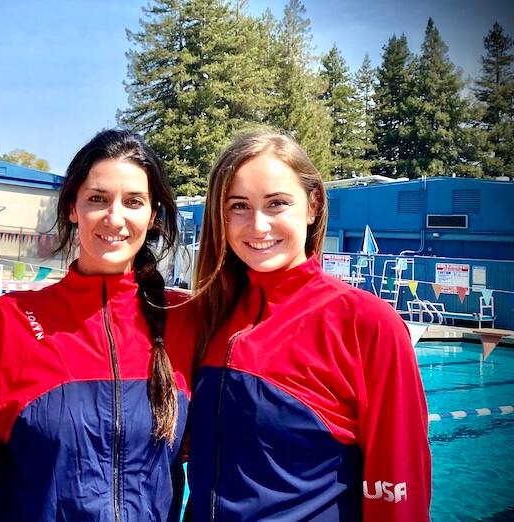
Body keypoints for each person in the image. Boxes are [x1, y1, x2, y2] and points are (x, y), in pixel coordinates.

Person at [184, 130, 431, 520]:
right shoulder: (205, 317)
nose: (258, 226)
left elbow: (400, 486)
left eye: (277, 204)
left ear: (313, 204)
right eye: (238, 206)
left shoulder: (366, 324)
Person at [0, 129, 196, 521]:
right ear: (71, 208)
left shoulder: (186, 319)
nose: (115, 217)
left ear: (152, 216)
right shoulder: (11, 319)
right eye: (97, 199)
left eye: (133, 202)